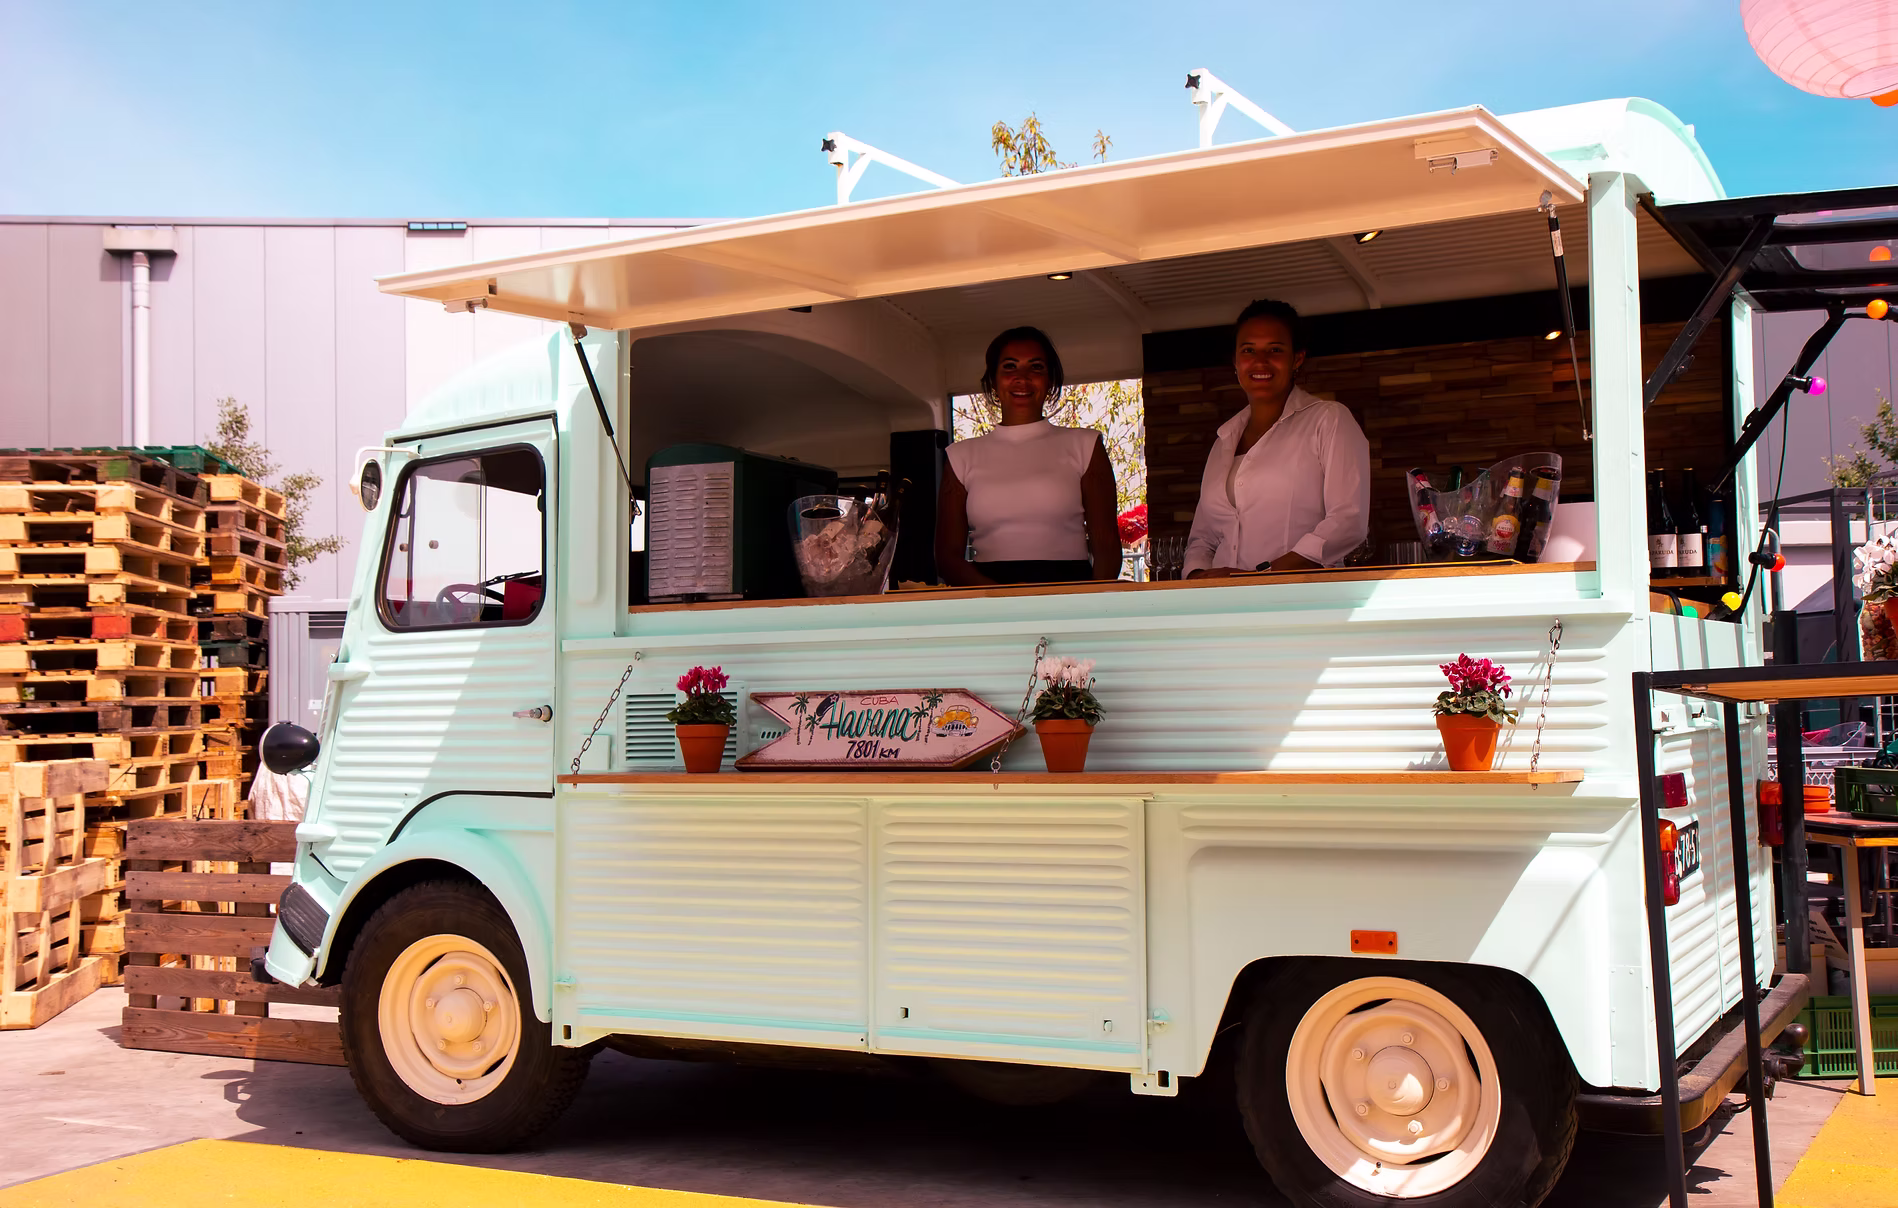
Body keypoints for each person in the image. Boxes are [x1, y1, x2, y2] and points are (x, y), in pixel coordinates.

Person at [1183, 299, 1369, 578]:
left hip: (1300, 599)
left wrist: (1264, 576)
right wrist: (1198, 577)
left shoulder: (1328, 420)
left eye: (1275, 349)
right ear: (1235, 361)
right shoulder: (1224, 439)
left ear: (1297, 358)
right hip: (1221, 606)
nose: (1260, 361)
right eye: (1248, 350)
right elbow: (1202, 538)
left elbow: (1347, 519)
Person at [936, 327, 1122, 586]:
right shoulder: (960, 456)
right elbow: (946, 558)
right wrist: (999, 599)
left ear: (1050, 381)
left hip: (1071, 596)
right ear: (993, 380)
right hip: (986, 599)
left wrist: (1088, 608)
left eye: (1036, 367)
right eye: (1009, 367)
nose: (1022, 378)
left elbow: (1108, 549)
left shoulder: (1085, 445)